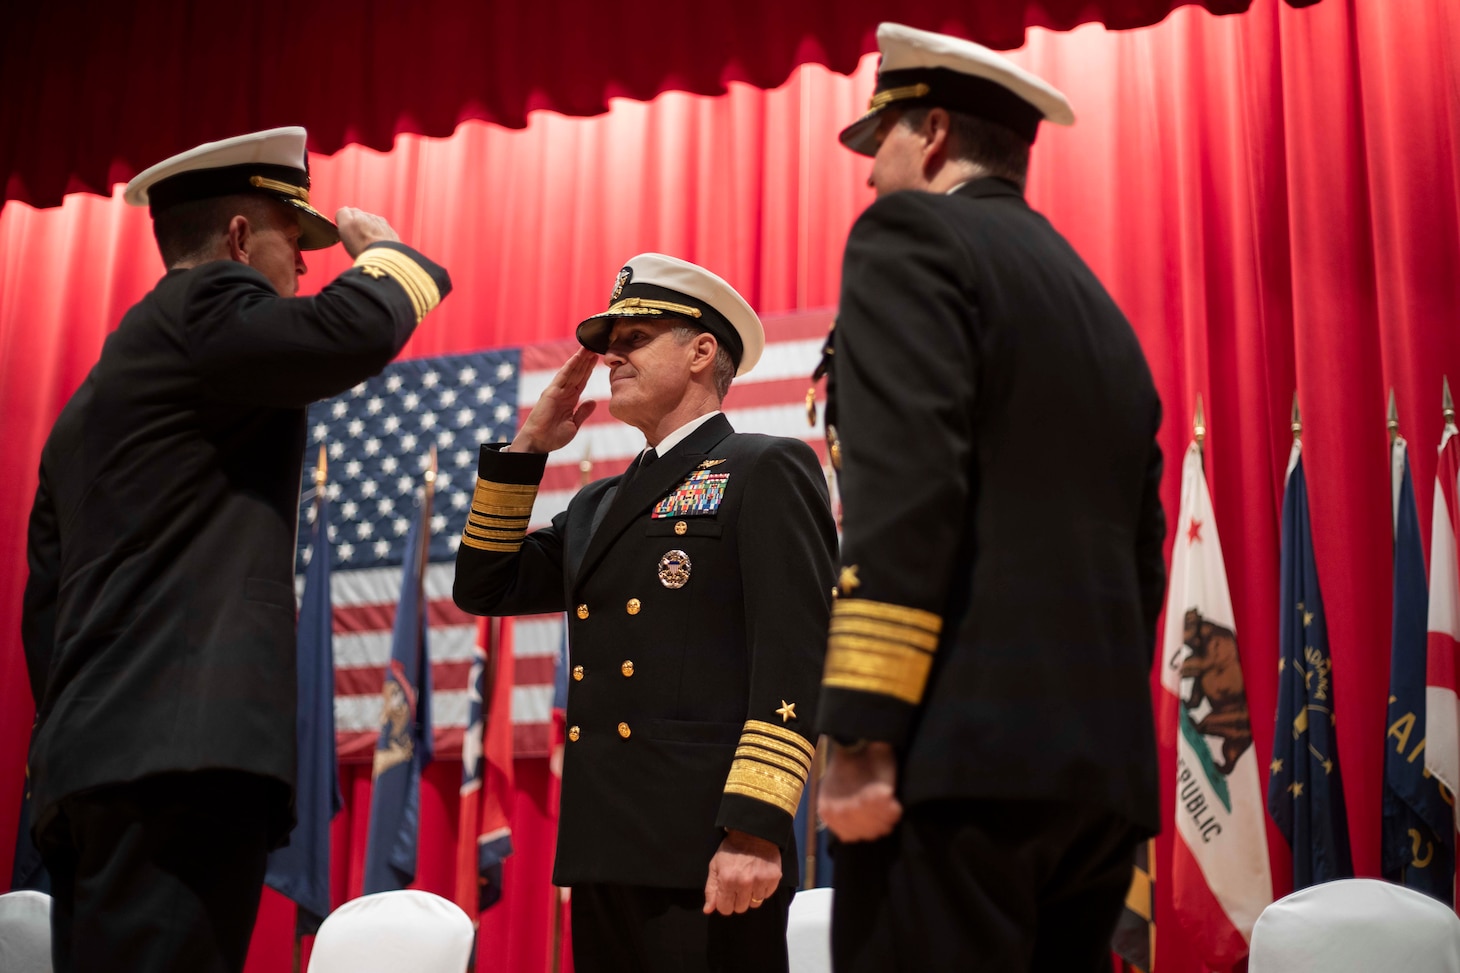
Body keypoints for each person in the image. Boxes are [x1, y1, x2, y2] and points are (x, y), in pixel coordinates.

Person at [20, 126, 451, 973]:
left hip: (99, 762)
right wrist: (393, 257)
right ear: (240, 240)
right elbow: (346, 331)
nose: (306, 270)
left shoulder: (88, 405)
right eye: (297, 244)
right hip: (179, 759)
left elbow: (46, 611)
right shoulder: (201, 309)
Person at [812, 23, 1166, 973]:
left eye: (877, 141)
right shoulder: (1096, 305)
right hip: (1093, 777)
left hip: (951, 763)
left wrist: (861, 726)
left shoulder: (909, 236)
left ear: (929, 133)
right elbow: (1142, 555)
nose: (868, 176)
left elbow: (908, 484)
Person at [453, 253, 836, 973]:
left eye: (635, 337)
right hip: (607, 847)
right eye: (609, 341)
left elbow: (795, 652)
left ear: (700, 351)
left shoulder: (764, 467)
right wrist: (526, 449)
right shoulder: (601, 502)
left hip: (710, 848)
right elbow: (485, 586)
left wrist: (755, 829)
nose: (611, 355)